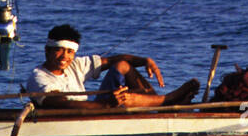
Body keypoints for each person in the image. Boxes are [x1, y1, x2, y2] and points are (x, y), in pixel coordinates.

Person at [26, 24, 198, 109]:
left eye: (70, 52)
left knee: (122, 65)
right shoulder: (38, 77)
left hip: (95, 106)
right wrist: (106, 104)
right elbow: (62, 103)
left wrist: (145, 60)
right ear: (47, 50)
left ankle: (159, 107)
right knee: (126, 98)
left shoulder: (75, 65)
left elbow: (114, 59)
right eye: (59, 51)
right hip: (83, 112)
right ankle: (167, 101)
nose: (65, 57)